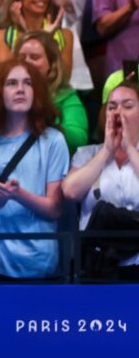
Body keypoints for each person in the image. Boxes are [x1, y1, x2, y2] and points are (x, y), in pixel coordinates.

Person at [0, 59, 68, 281]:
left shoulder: (53, 140)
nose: (20, 89)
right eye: (12, 83)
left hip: (40, 261)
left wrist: (18, 194)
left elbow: (55, 208)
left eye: (28, 83)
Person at [63, 81, 139, 279]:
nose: (118, 112)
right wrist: (107, 150)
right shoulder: (87, 154)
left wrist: (130, 148)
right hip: (97, 265)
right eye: (112, 106)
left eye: (128, 106)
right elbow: (70, 191)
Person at [14, 31, 89, 154]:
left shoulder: (66, 97)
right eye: (21, 57)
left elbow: (79, 140)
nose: (26, 62)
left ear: (52, 64)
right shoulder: (4, 93)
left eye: (34, 57)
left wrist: (48, 124)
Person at [0, 0, 74, 76]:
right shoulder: (2, 37)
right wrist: (26, 32)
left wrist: (43, 37)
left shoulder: (65, 35)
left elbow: (64, 76)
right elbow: (8, 74)